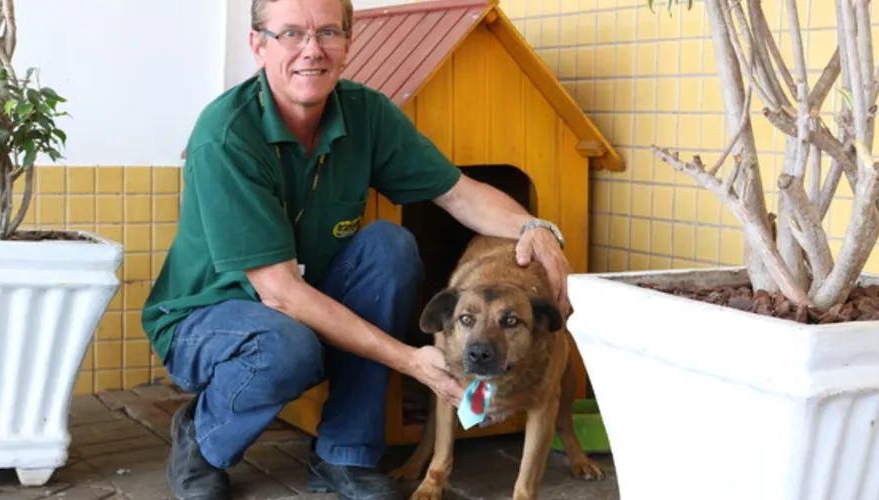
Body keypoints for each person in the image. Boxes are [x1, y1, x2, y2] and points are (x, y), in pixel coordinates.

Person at [140, 0, 572, 498]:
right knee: (284, 345)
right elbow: (280, 292)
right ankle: (201, 436)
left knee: (388, 247)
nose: (311, 50)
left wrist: (533, 226)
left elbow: (457, 193)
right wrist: (411, 361)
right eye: (291, 35)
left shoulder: (364, 113)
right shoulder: (226, 135)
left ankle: (343, 455)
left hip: (298, 301)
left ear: (348, 43)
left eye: (328, 32)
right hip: (206, 315)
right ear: (258, 45)